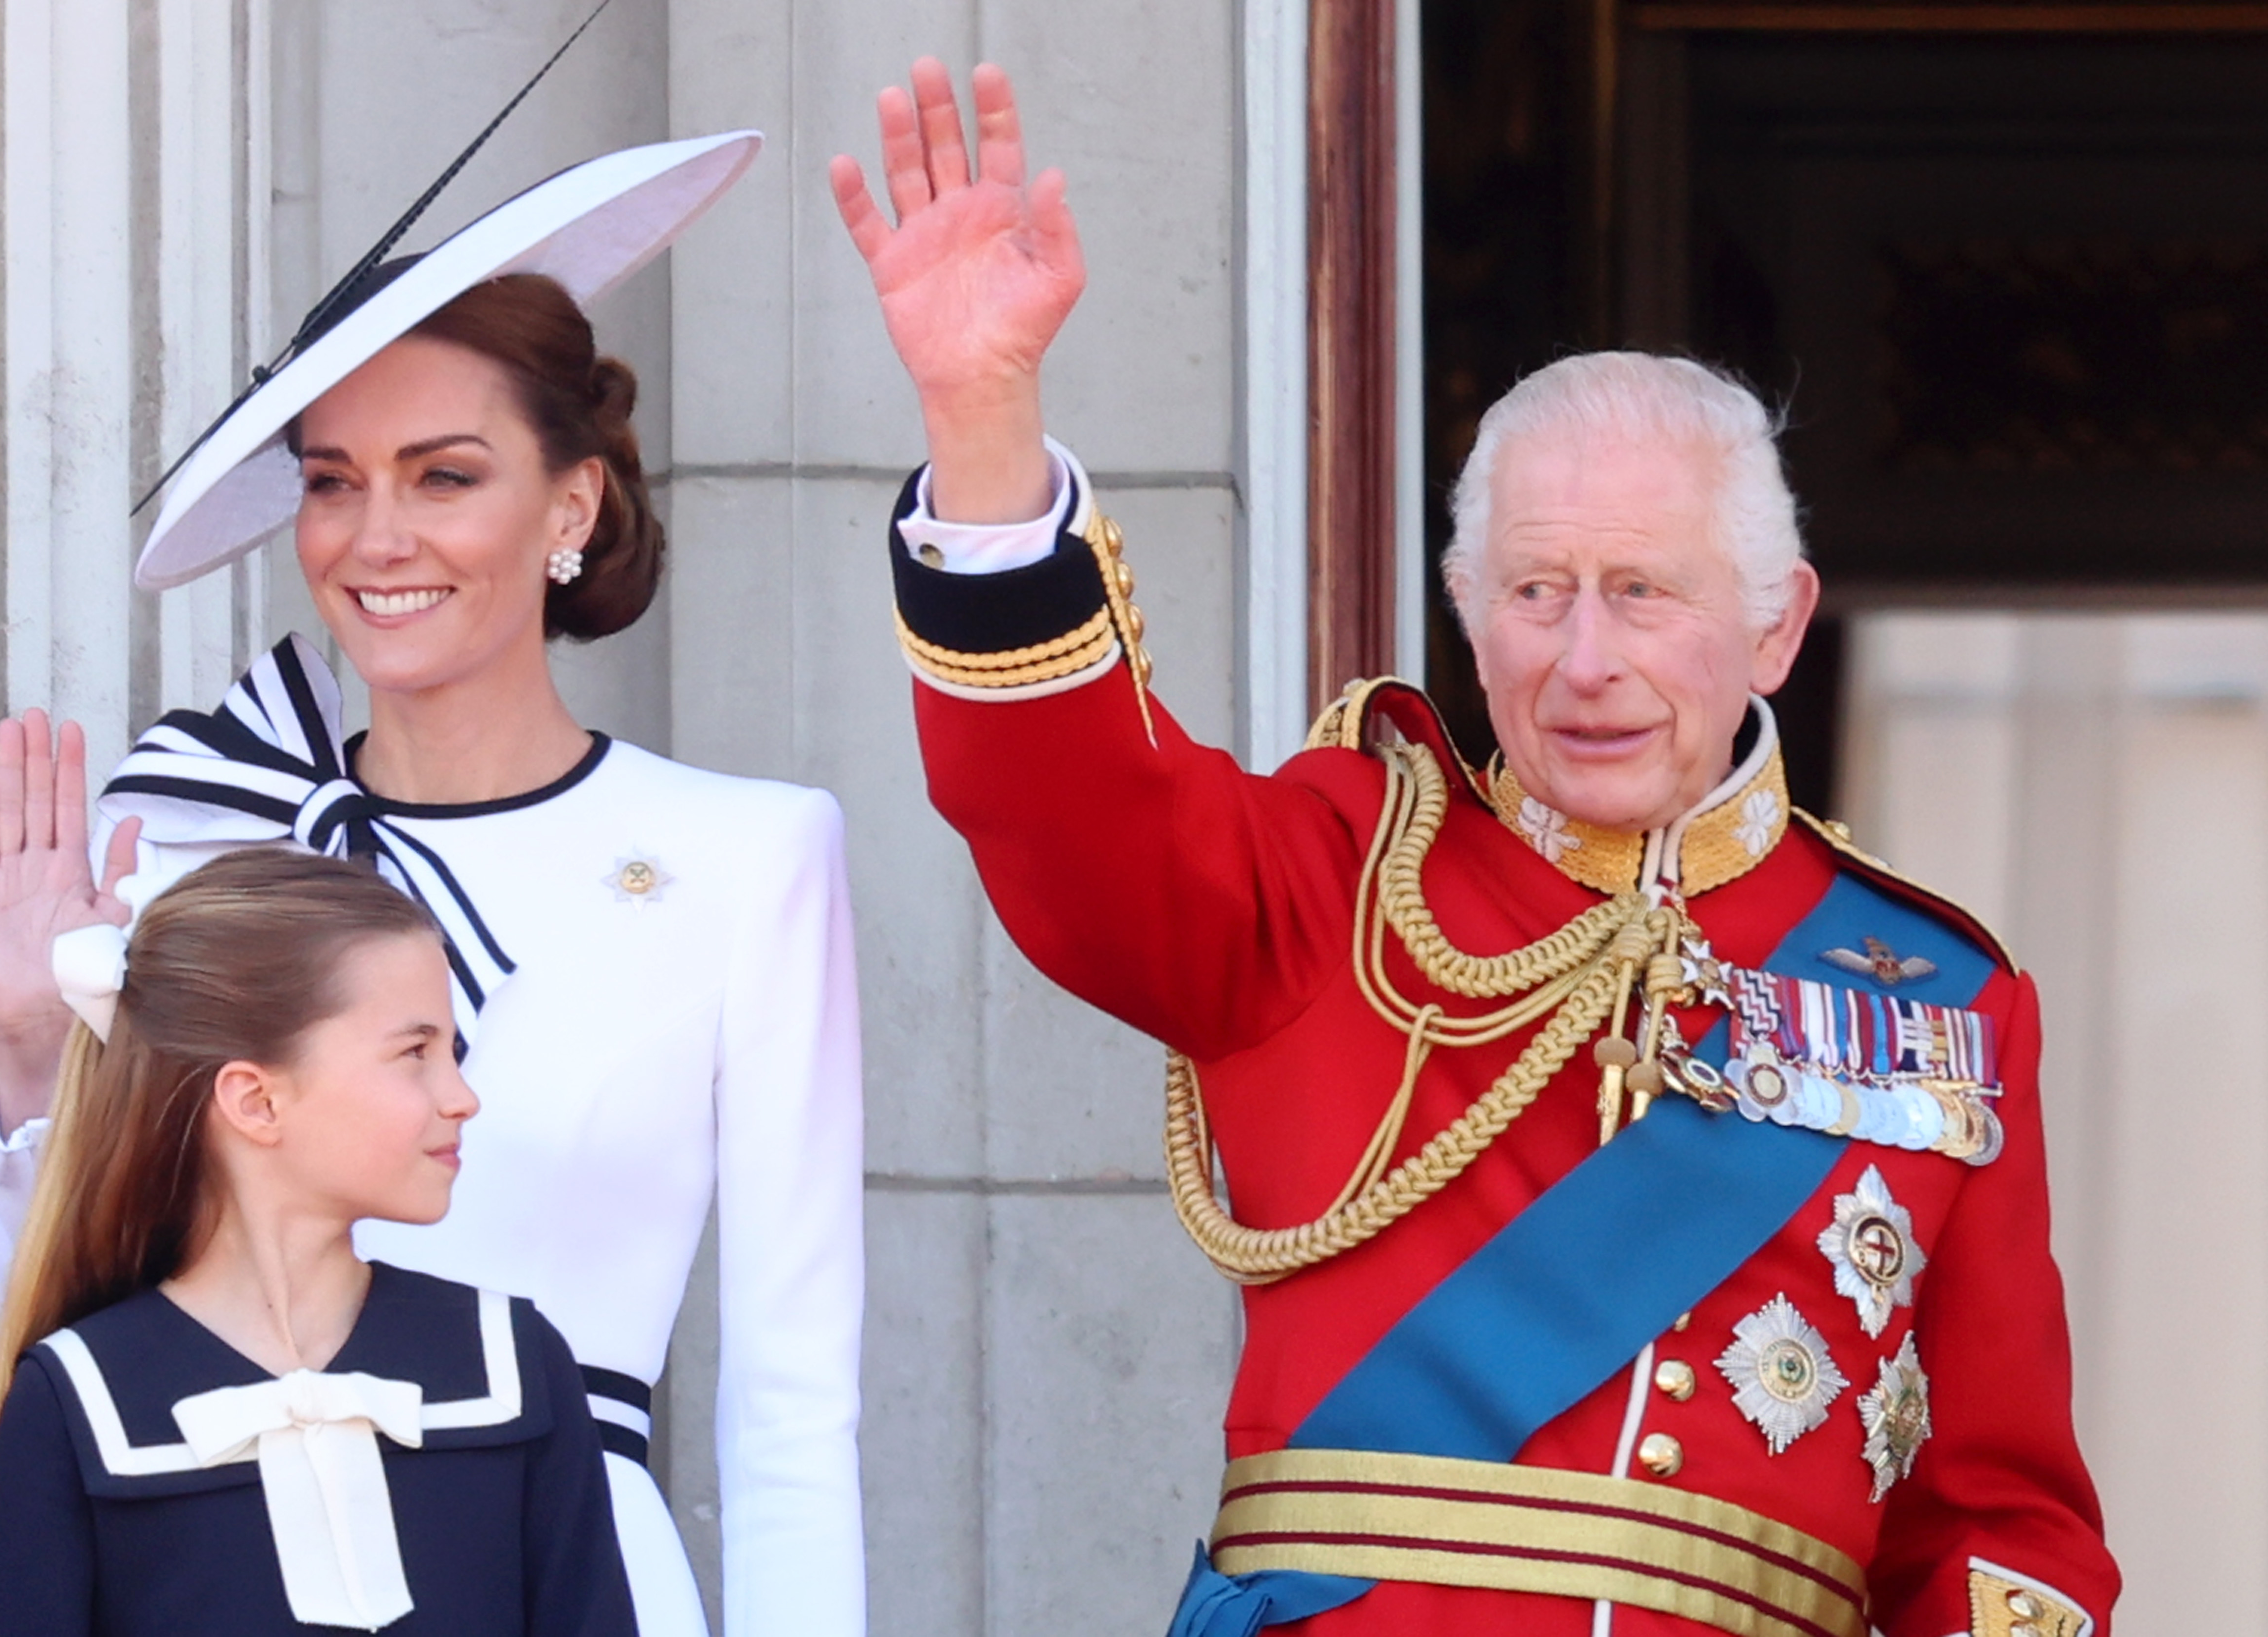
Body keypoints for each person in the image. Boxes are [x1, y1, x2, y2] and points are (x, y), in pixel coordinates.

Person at [831, 60, 2118, 1637]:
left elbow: (1999, 1523)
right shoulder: (1340, 879)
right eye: (1535, 591)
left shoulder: (1940, 1000)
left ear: (1774, 625)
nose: (1584, 658)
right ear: (1466, 610)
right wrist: (982, 422)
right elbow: (1075, 808)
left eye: (1644, 590)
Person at [0, 137, 863, 1637]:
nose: (377, 537)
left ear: (570, 506)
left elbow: (791, 1408)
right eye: (333, 483)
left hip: (571, 1566)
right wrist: (28, 1047)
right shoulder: (194, 835)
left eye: (444, 475)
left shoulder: (749, 854)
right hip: (206, 1549)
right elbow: (59, 1310)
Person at [0, 849, 635, 1635]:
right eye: (415, 1052)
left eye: (453, 1053)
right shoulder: (80, 1398)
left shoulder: (511, 1362)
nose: (462, 1096)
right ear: (256, 1100)